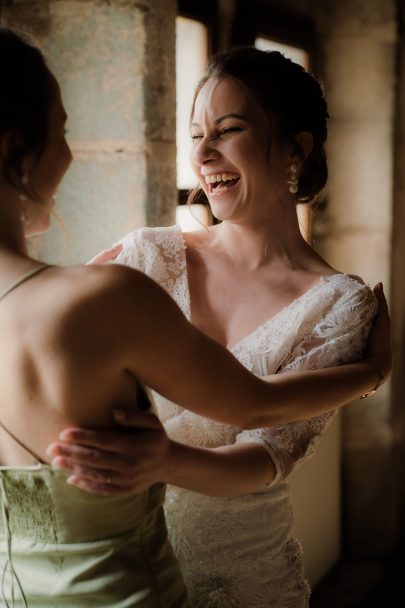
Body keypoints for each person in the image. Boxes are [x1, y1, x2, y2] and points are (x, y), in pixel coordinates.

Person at [0, 30, 390, 607]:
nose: (203, 154)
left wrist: (166, 461)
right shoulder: (147, 256)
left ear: (295, 149)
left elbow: (267, 457)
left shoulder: (340, 304)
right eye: (195, 135)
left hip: (243, 572)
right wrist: (375, 372)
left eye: (229, 131)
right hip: (123, 566)